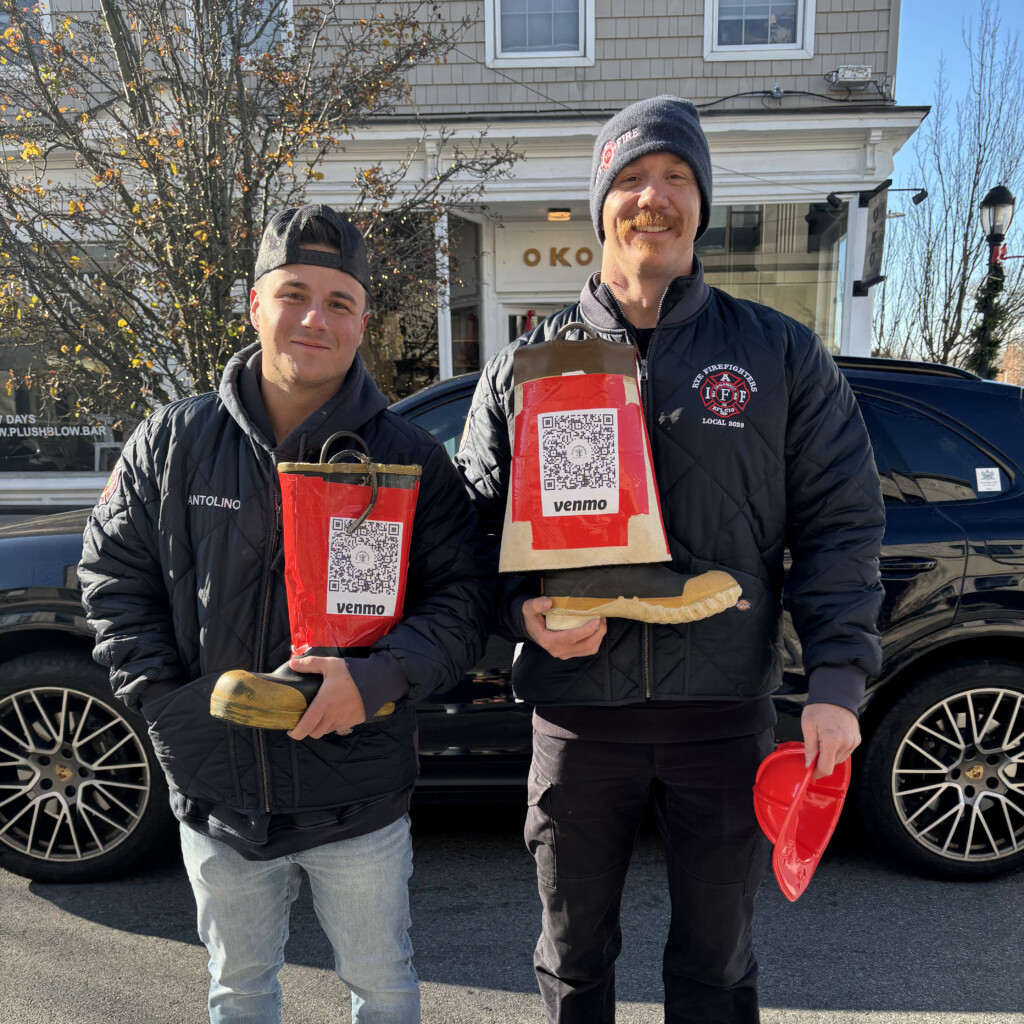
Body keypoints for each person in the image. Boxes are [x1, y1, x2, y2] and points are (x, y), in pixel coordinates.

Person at [455, 95, 885, 1024]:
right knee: (572, 959)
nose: (654, 197)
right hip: (576, 719)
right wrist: (517, 614)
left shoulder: (778, 355)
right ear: (603, 200)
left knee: (716, 960)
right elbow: (469, 536)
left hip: (722, 713)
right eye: (633, 178)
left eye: (677, 177)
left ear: (702, 202)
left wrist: (838, 681)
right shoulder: (528, 367)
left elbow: (842, 522)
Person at [79, 204, 491, 1024]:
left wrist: (380, 677)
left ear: (363, 323)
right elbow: (114, 580)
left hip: (360, 797)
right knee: (239, 994)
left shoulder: (407, 459)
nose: (314, 318)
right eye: (295, 293)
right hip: (219, 791)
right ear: (256, 305)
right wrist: (170, 711)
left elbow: (464, 598)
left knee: (383, 990)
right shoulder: (173, 442)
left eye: (339, 302)